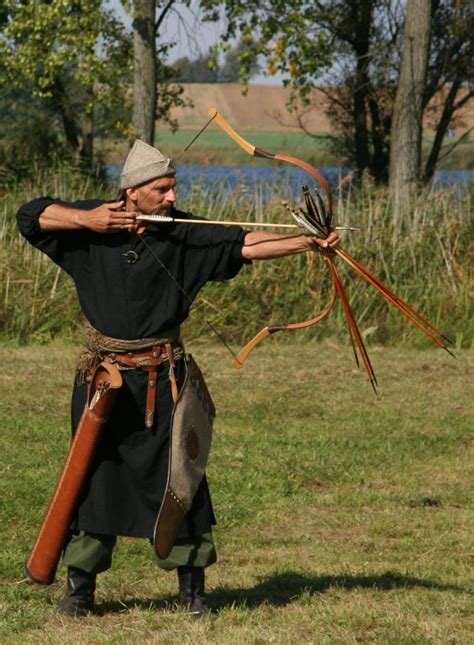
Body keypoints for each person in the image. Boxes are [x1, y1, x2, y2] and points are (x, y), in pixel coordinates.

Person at [17, 140, 339, 618]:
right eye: (161, 189)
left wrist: (307, 242)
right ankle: (80, 590)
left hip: (166, 378)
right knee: (92, 479)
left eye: (173, 187)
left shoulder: (186, 231)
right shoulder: (91, 225)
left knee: (181, 481)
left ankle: (193, 593)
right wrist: (89, 220)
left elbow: (246, 243)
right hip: (104, 381)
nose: (171, 197)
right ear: (131, 193)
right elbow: (30, 215)